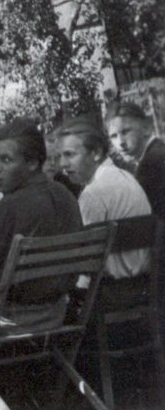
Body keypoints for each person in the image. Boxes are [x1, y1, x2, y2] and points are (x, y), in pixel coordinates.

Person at [0, 118, 83, 335]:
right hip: (58, 310)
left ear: (32, 163)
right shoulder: (65, 195)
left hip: (9, 317)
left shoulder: (10, 205)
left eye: (6, 160)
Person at [57, 117, 151, 311]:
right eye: (60, 156)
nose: (63, 164)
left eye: (70, 155)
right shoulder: (125, 177)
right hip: (145, 285)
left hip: (111, 293)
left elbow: (83, 259)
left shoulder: (94, 192)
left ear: (96, 153)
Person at [108, 102, 165, 220]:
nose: (120, 142)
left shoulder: (150, 164)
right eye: (114, 136)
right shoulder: (158, 150)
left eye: (125, 131)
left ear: (146, 128)